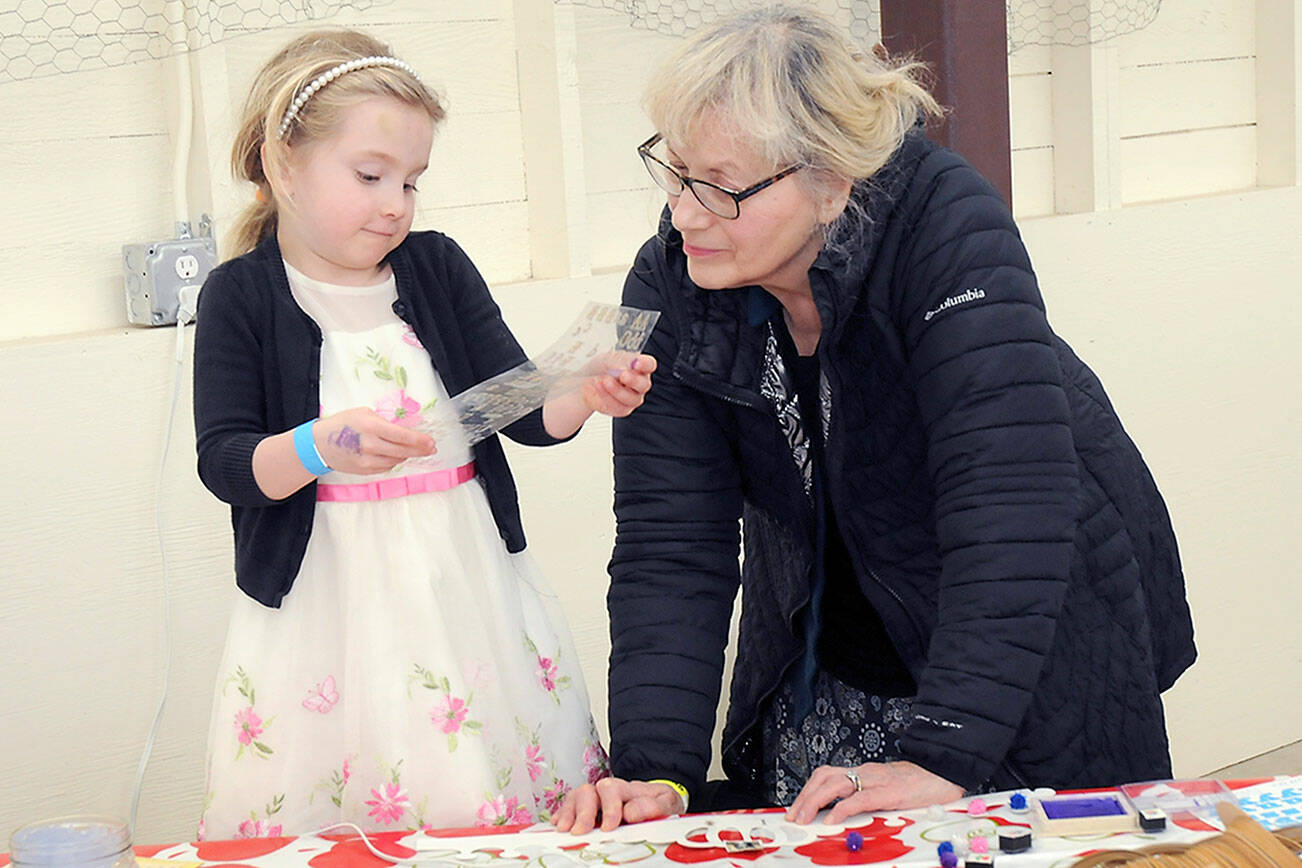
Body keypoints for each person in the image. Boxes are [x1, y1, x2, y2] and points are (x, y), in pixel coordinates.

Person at [553, 4, 1195, 834]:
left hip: (1019, 624)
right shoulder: (674, 281)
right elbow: (671, 540)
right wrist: (657, 774)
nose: (683, 213)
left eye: (718, 185)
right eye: (674, 173)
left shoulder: (945, 227)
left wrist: (946, 753)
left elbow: (1007, 503)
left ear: (832, 182)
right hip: (829, 640)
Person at [193, 29, 654, 838]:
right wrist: (318, 446)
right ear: (279, 163)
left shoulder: (436, 266)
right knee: (349, 806)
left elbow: (522, 410)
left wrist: (582, 390)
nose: (395, 204)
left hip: (462, 585)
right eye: (371, 175)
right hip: (325, 611)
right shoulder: (242, 294)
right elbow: (228, 464)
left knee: (479, 792)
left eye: (412, 182)